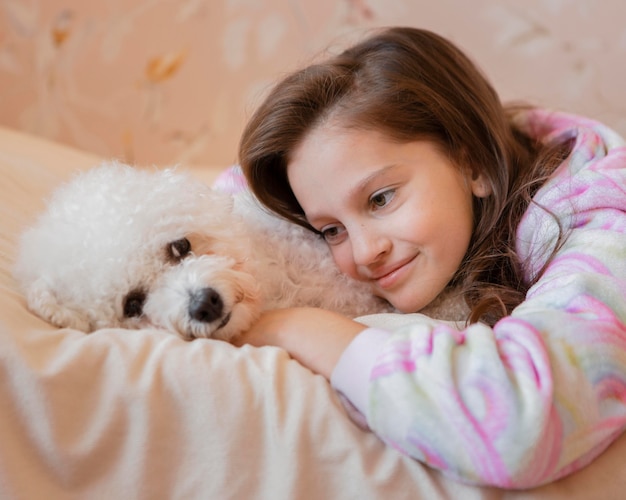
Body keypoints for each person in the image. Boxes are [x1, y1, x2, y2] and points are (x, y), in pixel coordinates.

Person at [232, 26, 626, 488]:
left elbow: (519, 427)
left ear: (472, 162)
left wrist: (291, 325)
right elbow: (235, 200)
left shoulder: (605, 224)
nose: (364, 253)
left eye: (380, 199)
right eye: (331, 230)